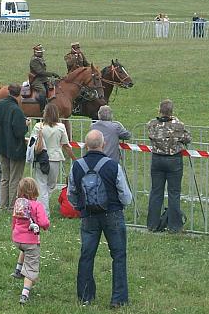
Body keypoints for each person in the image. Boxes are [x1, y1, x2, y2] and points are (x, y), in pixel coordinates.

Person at [68, 130, 132, 308]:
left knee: (87, 255)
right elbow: (125, 195)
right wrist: (121, 205)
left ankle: (85, 296)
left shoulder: (76, 166)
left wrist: (80, 207)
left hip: (88, 215)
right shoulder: (113, 165)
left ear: (86, 145)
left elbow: (71, 193)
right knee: (118, 255)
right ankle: (118, 299)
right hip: (112, 214)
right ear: (103, 145)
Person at [146, 99, 191, 232]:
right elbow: (187, 138)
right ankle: (174, 226)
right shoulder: (178, 125)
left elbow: (151, 136)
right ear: (172, 111)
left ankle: (152, 225)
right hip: (173, 160)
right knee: (174, 193)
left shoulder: (152, 124)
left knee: (156, 192)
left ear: (159, 110)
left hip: (157, 159)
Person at [29, 102, 74, 217]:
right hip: (55, 158)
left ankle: (41, 208)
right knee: (50, 185)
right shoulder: (61, 127)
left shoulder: (38, 126)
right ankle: (43, 211)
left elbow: (32, 142)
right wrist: (74, 158)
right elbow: (65, 144)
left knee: (42, 184)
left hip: (41, 158)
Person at [10, 177, 50, 305]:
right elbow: (43, 222)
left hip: (17, 238)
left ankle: (18, 269)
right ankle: (25, 294)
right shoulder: (37, 205)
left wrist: (13, 232)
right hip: (30, 241)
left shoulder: (18, 203)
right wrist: (45, 226)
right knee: (31, 267)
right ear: (35, 190)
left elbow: (14, 220)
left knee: (24, 249)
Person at [0, 84, 30, 208]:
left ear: (8, 92)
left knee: (4, 178)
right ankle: (12, 206)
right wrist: (26, 124)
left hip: (2, 146)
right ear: (19, 94)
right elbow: (19, 132)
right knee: (15, 178)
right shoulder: (16, 110)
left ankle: (3, 205)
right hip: (16, 148)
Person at [29, 44, 60, 113]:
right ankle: (42, 109)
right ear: (36, 52)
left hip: (43, 79)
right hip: (36, 80)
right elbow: (40, 72)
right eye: (40, 52)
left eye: (42, 52)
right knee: (43, 91)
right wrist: (51, 74)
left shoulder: (40, 59)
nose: (42, 53)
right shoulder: (34, 60)